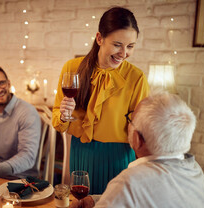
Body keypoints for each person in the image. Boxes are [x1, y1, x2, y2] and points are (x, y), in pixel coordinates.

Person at [68, 91, 204, 208]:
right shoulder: (194, 168)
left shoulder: (130, 183)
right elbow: (148, 203)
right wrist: (95, 201)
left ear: (137, 138)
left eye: (130, 120)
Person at [52, 7, 149, 194]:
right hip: (81, 152)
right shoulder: (72, 68)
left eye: (130, 46)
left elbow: (141, 129)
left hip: (118, 157)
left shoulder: (136, 78)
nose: (123, 53)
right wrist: (64, 115)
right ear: (99, 39)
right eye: (117, 45)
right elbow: (58, 120)